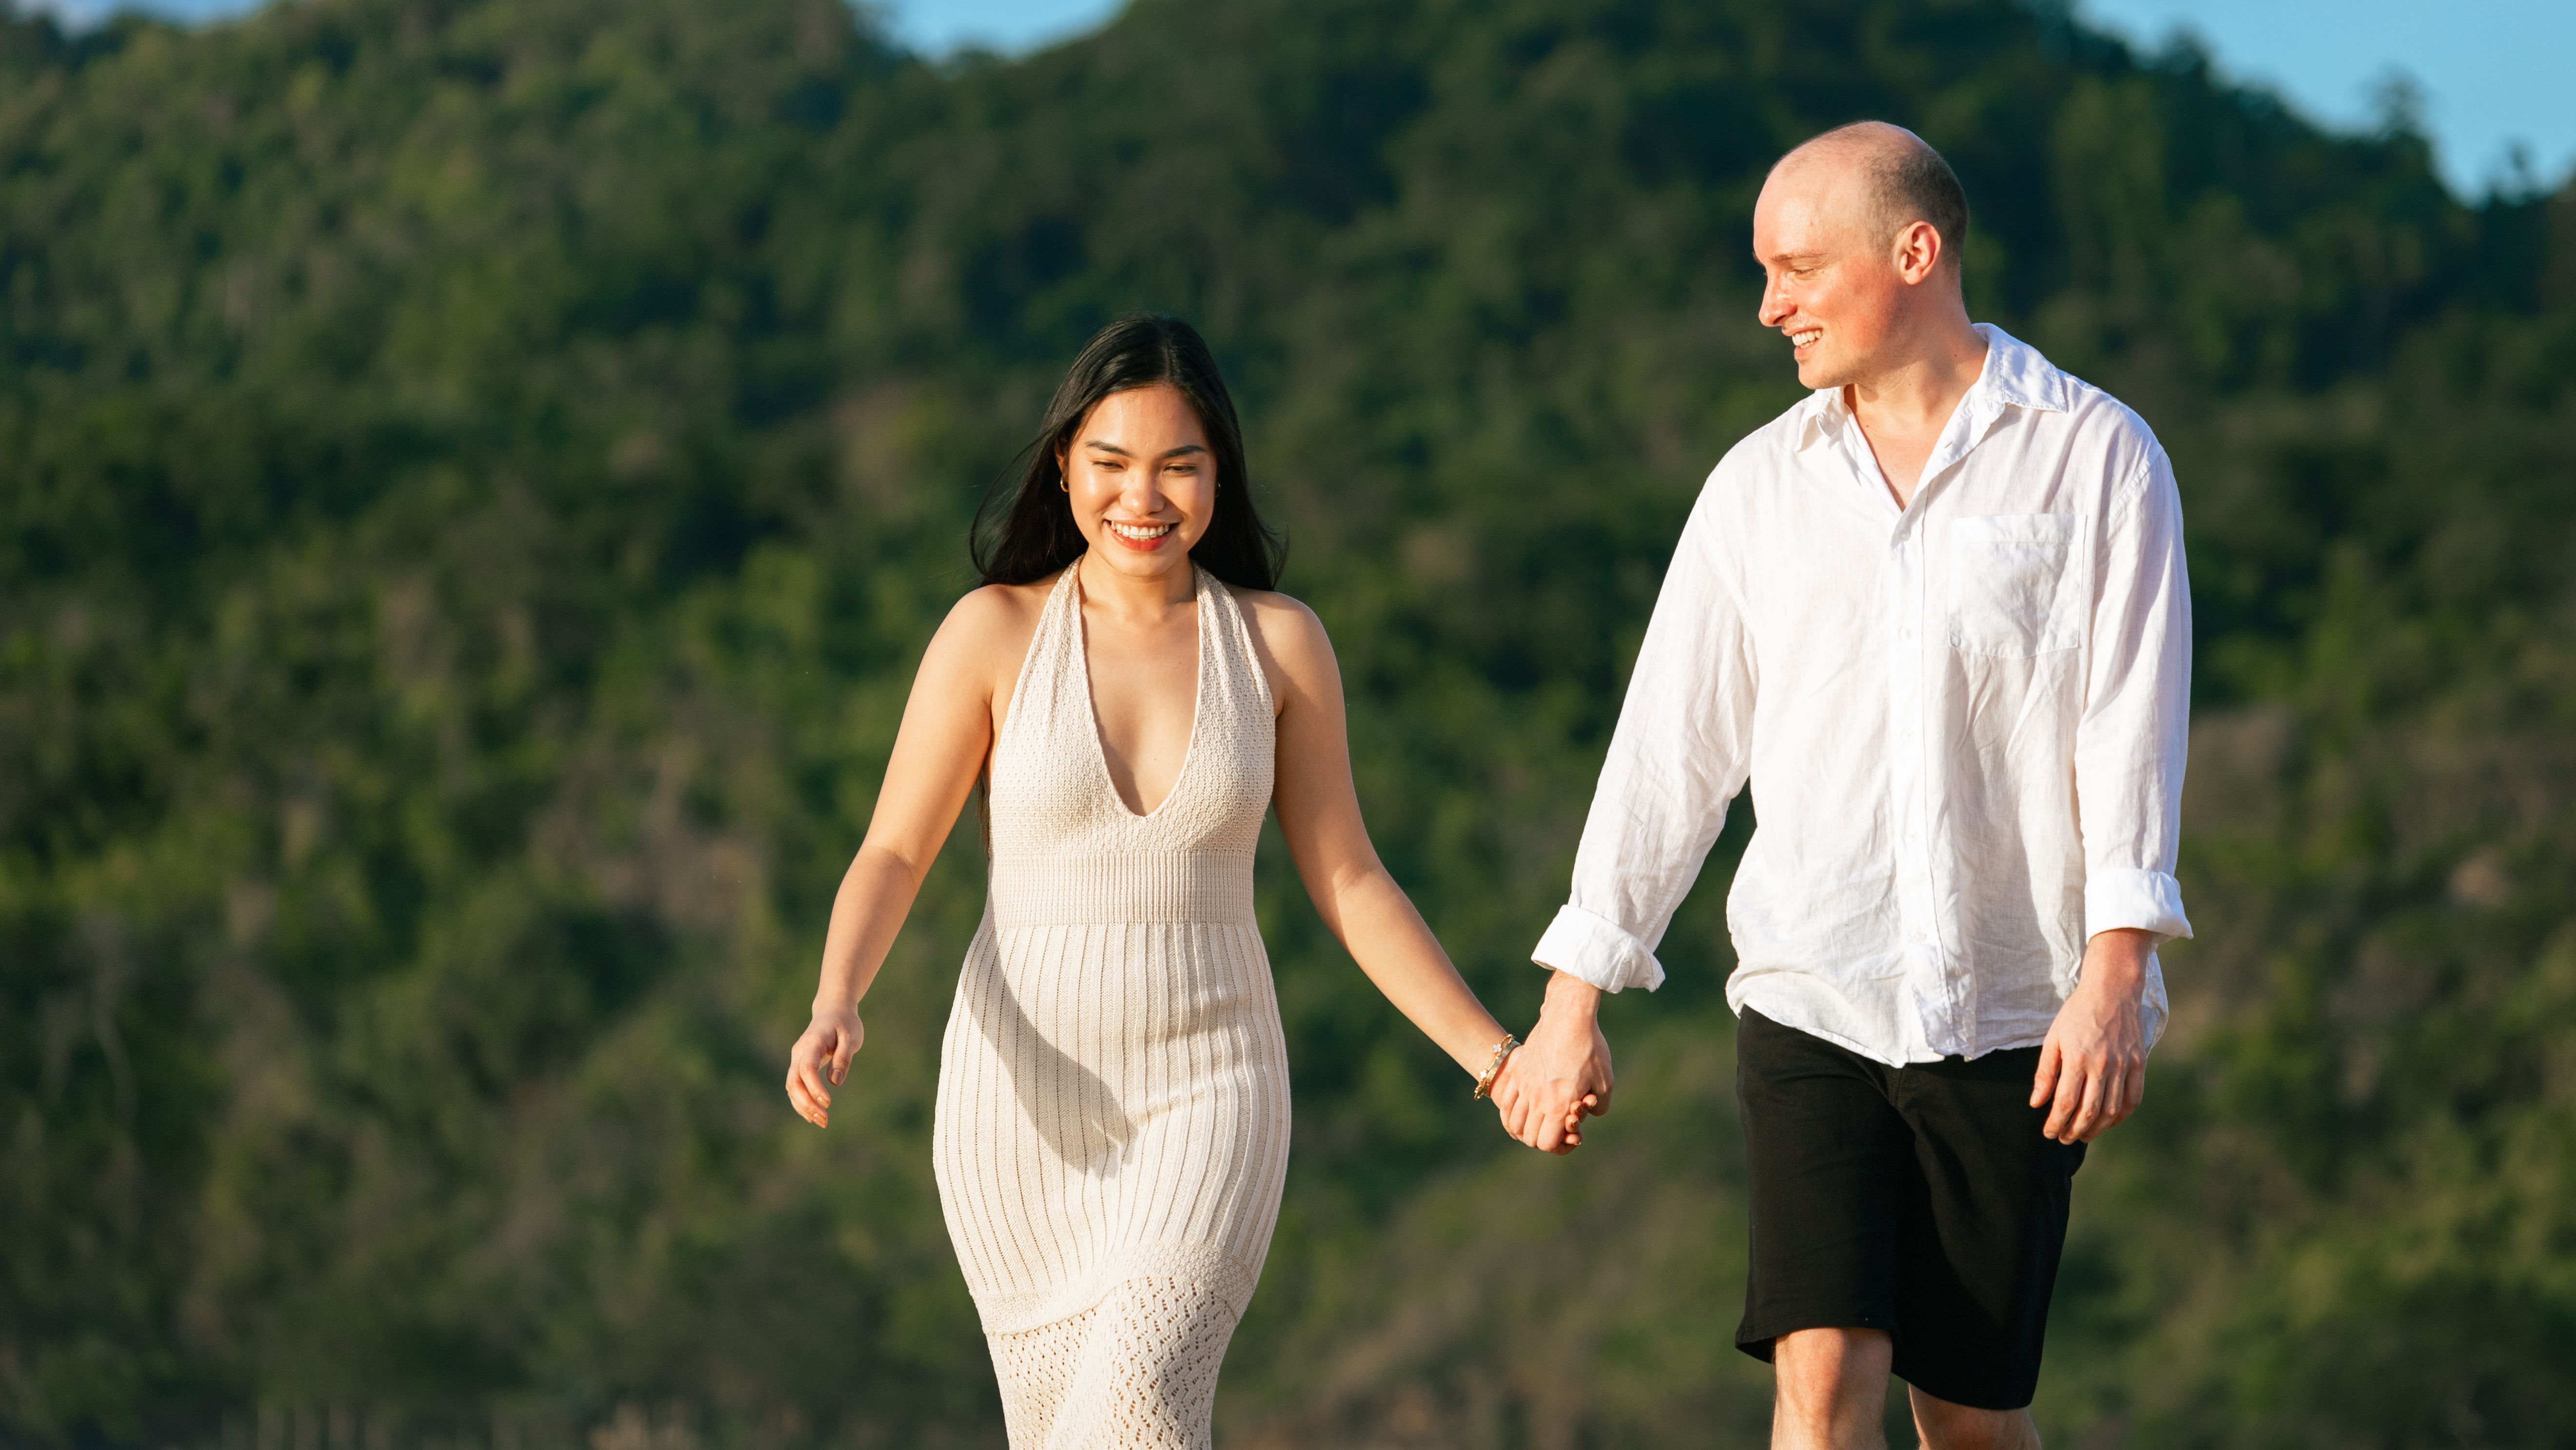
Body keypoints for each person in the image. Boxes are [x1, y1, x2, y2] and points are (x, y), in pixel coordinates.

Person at [1494, 123, 2194, 1450]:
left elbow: (2130, 730)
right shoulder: (1758, 487)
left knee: (1969, 1416)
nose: (1772, 306)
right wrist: (1571, 1001)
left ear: (1914, 252)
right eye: (1767, 274)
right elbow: (1671, 747)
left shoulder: (2097, 455)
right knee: (1820, 1384)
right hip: (1813, 992)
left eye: (1799, 268)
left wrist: (2115, 976)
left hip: (2017, 1007)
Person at [784, 314, 1561, 1450]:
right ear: (1064, 465)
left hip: (1210, 1086)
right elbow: (894, 850)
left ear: (1220, 474)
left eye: (1179, 466)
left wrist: (1496, 1060)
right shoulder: (993, 633)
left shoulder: (1280, 645)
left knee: (1138, 1403)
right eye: (1111, 463)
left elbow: (1351, 879)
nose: (1142, 498)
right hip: (1020, 1115)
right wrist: (838, 998)